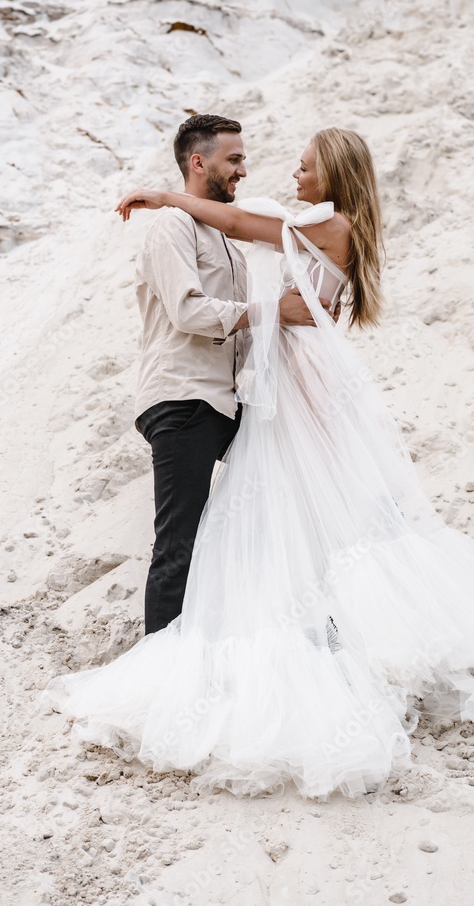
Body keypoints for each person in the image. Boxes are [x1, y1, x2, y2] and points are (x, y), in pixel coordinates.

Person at [41, 127, 474, 800]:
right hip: (274, 377)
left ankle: (281, 647)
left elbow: (242, 220)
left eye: (304, 168)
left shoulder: (328, 223)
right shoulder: (318, 223)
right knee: (296, 513)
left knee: (310, 513)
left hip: (299, 378)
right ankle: (295, 637)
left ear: (333, 175)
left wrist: (162, 195)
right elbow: (243, 234)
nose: (291, 176)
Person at [125, 114, 334, 636]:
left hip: (223, 402)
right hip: (182, 400)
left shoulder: (225, 241)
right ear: (199, 163)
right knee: (179, 544)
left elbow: (247, 330)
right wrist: (274, 310)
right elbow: (190, 312)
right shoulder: (171, 227)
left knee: (280, 495)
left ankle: (285, 630)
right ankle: (163, 671)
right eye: (234, 159)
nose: (244, 169)